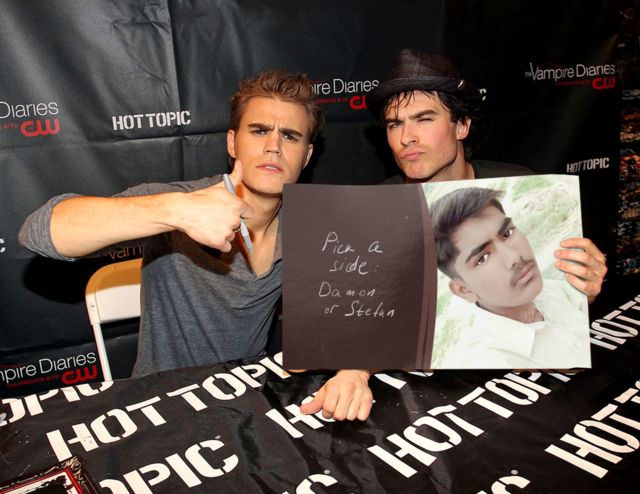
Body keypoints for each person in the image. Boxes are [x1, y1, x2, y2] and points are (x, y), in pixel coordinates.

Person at [19, 69, 373, 421]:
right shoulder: (183, 203)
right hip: (163, 406)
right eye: (259, 130)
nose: (274, 146)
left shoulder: (312, 226)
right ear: (232, 143)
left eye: (290, 136)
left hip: (247, 403)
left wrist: (354, 372)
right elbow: (39, 232)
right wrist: (173, 211)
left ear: (306, 156)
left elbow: (365, 309)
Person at [365, 48, 607, 301]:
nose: (406, 137)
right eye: (395, 124)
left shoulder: (521, 184)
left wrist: (580, 290)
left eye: (424, 119)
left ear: (461, 125)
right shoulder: (374, 210)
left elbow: (557, 293)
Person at [429, 186, 590, 368]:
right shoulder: (491, 363)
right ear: (464, 290)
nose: (514, 257)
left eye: (507, 234)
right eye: (483, 258)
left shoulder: (556, 291)